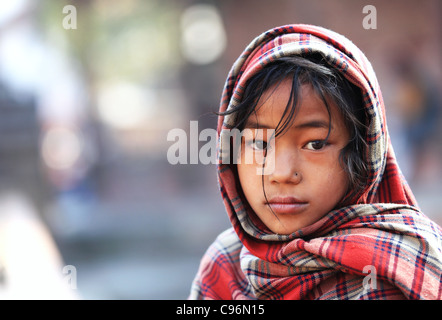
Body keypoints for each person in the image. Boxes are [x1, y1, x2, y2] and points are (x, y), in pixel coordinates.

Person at [189, 24, 442, 300]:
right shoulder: (224, 267)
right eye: (259, 144)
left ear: (364, 153)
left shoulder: (400, 270)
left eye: (316, 144)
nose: (282, 173)